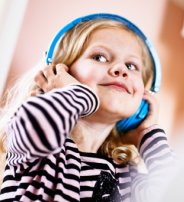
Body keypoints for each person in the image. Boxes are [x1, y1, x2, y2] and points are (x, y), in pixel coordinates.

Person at [0, 13, 175, 202]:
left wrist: (148, 135)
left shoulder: (127, 176)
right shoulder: (39, 146)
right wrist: (77, 92)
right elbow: (39, 124)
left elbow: (178, 192)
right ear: (61, 72)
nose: (121, 69)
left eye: (132, 66)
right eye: (99, 57)